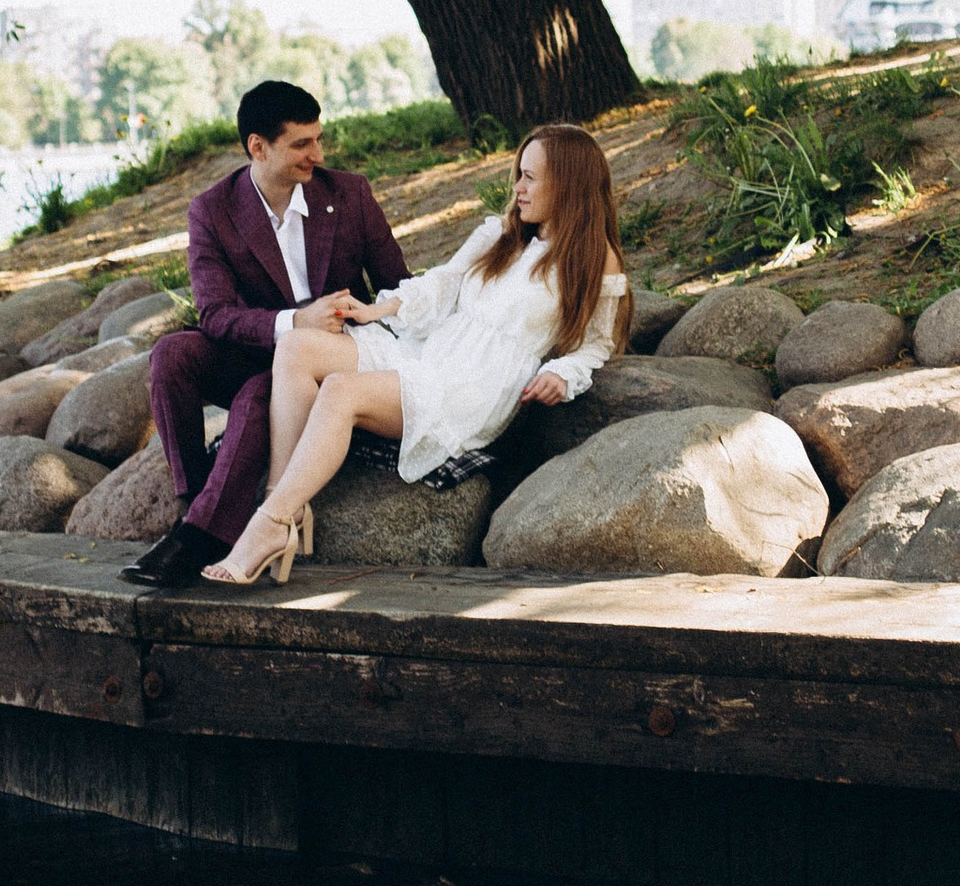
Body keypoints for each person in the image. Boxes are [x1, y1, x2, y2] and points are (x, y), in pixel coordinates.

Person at [203, 122, 632, 587]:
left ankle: (268, 524)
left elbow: (598, 343)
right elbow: (442, 283)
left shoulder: (594, 258)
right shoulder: (499, 234)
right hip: (431, 352)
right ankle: (283, 505)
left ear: (568, 184)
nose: (517, 188)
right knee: (296, 345)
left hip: (474, 387)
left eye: (530, 178)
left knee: (342, 391)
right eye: (519, 175)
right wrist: (377, 310)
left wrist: (563, 373)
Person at [127, 78, 413, 592]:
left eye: (318, 139)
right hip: (252, 348)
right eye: (302, 144)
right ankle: (195, 505)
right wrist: (294, 322)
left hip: (325, 359)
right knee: (171, 353)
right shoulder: (212, 210)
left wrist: (369, 322)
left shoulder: (348, 194)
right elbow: (215, 315)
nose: (317, 154)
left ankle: (198, 539)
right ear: (258, 147)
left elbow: (398, 287)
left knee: (260, 394)